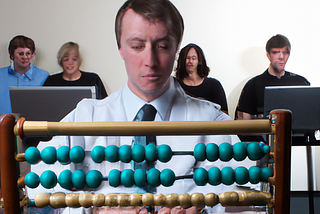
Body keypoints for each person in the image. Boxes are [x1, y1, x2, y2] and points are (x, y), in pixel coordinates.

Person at [30, 1, 248, 213]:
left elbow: (249, 198)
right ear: (121, 49)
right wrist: (94, 209)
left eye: (162, 46)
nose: (150, 60)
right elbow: (36, 189)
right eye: (137, 46)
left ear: (176, 50)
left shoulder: (212, 122)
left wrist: (203, 208)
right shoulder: (85, 117)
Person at [235, 34, 310, 120]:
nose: (281, 57)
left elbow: (310, 118)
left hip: (296, 132)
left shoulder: (301, 83)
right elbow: (243, 125)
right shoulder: (253, 86)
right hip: (262, 132)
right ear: (268, 55)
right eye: (276, 53)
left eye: (285, 52)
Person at [0, 35, 49, 115]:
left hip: (33, 124)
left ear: (33, 54)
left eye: (28, 53)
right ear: (11, 54)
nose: (25, 57)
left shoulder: (44, 76)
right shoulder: (1, 75)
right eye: (21, 54)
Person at [175, 43, 228, 114]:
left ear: (199, 61)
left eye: (193, 58)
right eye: (187, 58)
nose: (190, 61)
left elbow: (224, 114)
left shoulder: (214, 85)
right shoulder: (174, 85)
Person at [43, 42, 108, 99]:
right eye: (66, 59)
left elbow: (104, 104)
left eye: (74, 59)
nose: (70, 63)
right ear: (61, 61)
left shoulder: (93, 79)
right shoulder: (51, 81)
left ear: (79, 60)